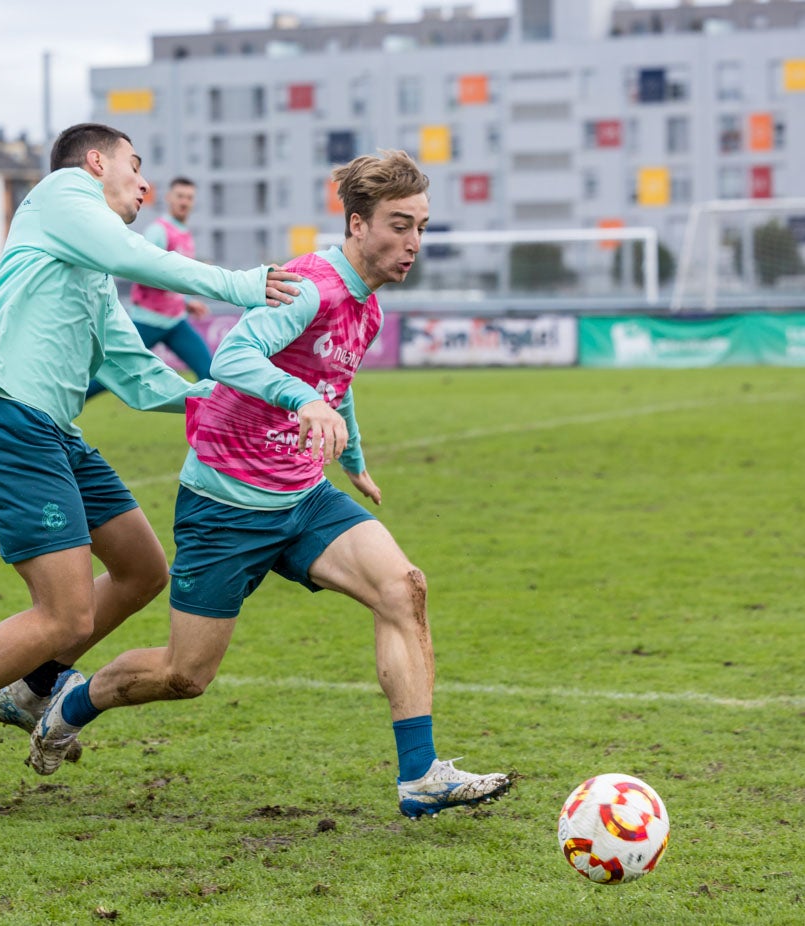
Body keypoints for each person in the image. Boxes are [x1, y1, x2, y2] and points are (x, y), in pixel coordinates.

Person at [26, 150, 512, 819]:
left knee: (403, 589)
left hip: (302, 497)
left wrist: (354, 459)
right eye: (399, 225)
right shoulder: (310, 286)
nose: (413, 243)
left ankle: (419, 774)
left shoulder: (366, 306)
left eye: (421, 227)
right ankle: (71, 704)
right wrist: (300, 401)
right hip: (224, 503)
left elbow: (334, 384)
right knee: (183, 675)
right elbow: (231, 356)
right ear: (356, 224)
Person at [0, 122, 302, 818]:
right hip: (9, 422)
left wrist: (223, 397)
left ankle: (30, 690)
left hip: (54, 432)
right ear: (95, 161)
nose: (144, 184)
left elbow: (134, 374)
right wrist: (243, 285)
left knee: (142, 570)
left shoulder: (86, 263)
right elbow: (138, 256)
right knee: (66, 611)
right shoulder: (59, 196)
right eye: (136, 166)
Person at [86, 177, 213, 399]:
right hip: (148, 320)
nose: (184, 202)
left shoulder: (184, 233)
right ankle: (60, 407)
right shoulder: (159, 231)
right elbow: (145, 273)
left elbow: (171, 278)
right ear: (169, 198)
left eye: (189, 197)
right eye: (180, 196)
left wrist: (185, 302)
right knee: (113, 375)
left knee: (209, 373)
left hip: (175, 321)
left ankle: (213, 430)